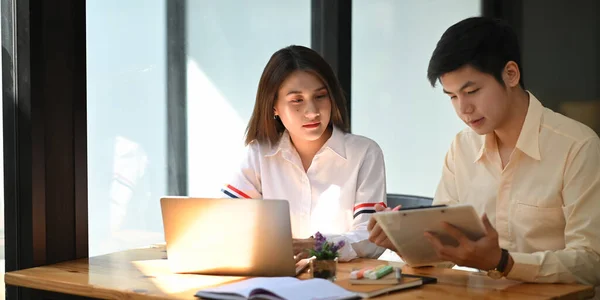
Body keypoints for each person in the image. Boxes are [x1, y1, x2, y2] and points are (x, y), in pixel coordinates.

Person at [368, 17, 600, 287]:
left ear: (511, 74)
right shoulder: (461, 148)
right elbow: (443, 252)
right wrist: (403, 241)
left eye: (472, 91)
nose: (463, 109)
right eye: (452, 96)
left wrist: (503, 263)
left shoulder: (577, 147)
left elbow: (591, 262)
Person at [222, 45, 387, 261]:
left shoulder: (364, 153)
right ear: (274, 107)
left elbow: (371, 238)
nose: (312, 112)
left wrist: (318, 246)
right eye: (297, 100)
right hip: (274, 280)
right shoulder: (259, 154)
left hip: (340, 282)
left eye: (320, 96)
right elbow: (226, 223)